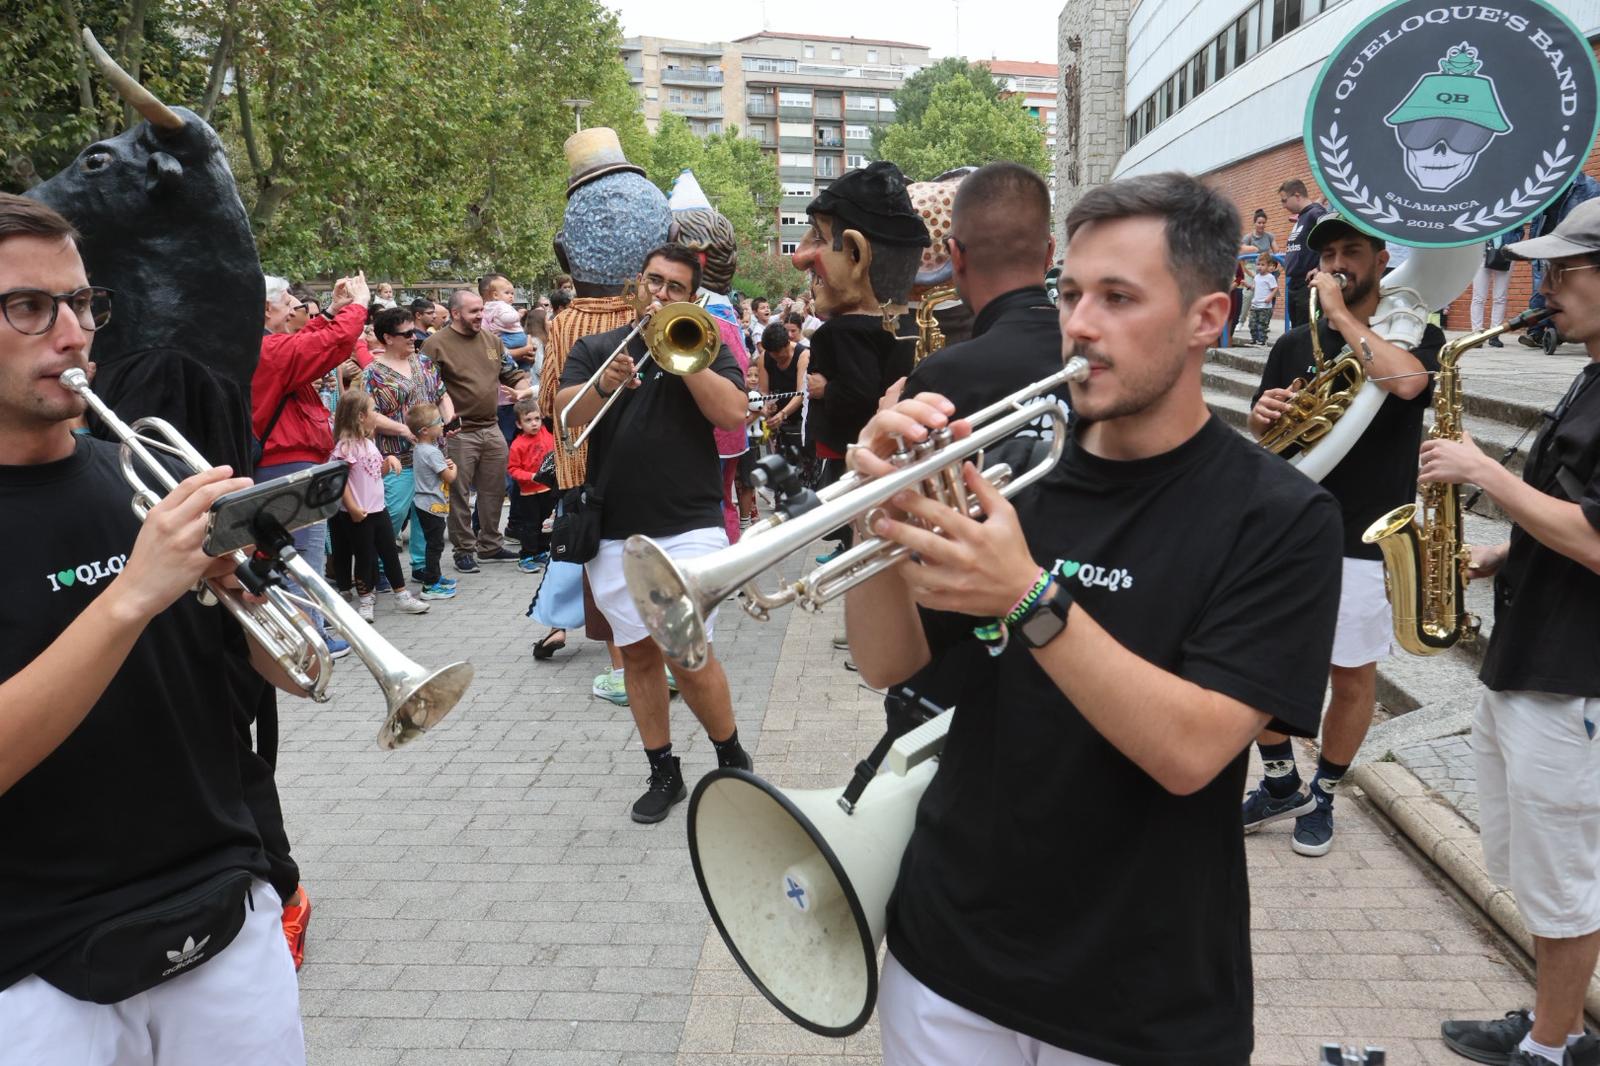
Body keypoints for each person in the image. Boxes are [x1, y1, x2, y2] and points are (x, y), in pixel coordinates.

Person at [842, 171, 1340, 1066]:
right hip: (948, 958)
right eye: (1069, 292)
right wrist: (868, 520)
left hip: (1139, 995)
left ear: (1207, 319)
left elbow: (1192, 754)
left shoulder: (1280, 516)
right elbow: (889, 664)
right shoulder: (1016, 480)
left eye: (1118, 298)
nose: (1079, 323)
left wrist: (1030, 597)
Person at [0, 193, 308, 1064]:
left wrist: (250, 594)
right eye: (29, 307)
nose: (72, 334)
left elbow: (290, 676)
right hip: (32, 963)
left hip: (222, 911)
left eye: (83, 302)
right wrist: (133, 595)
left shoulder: (144, 474)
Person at [1431, 200, 1600, 1066]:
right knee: (1538, 866)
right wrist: (1507, 550)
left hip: (1575, 677)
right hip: (1537, 653)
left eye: (1566, 270)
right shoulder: (1589, 370)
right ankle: (1558, 1020)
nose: (1545, 286)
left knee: (1564, 877)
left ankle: (1549, 1045)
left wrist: (1485, 474)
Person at [1244, 211, 1443, 857]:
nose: (1335, 264)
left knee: (1351, 677)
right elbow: (1269, 436)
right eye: (1326, 253)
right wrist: (1262, 414)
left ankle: (1325, 791)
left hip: (1363, 532)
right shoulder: (1291, 343)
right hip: (1287, 531)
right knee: (1252, 662)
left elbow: (1407, 382)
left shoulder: (1419, 332)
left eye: (1350, 250)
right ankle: (1279, 782)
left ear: (1383, 258)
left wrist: (1345, 318)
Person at [556, 245, 752, 823]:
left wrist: (684, 363)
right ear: (637, 284)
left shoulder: (706, 342)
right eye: (653, 282)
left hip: (690, 524)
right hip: (615, 525)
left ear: (692, 298)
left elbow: (733, 413)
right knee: (638, 657)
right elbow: (567, 416)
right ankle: (664, 771)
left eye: (674, 287)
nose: (661, 294)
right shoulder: (597, 348)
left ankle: (731, 756)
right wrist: (603, 382)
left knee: (686, 650)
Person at [531, 127, 672, 689]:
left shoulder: (568, 321)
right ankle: (666, 657)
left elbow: (550, 403)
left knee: (606, 565)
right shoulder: (659, 312)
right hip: (654, 462)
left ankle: (623, 667)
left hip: (586, 464)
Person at [791, 161, 927, 563]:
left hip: (857, 447)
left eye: (818, 236)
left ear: (855, 254)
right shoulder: (912, 323)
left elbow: (860, 390)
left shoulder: (843, 331)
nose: (800, 257)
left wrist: (823, 388)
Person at [254, 270, 371, 656]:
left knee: (301, 552)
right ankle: (310, 636)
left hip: (288, 463)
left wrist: (335, 310)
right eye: (289, 303)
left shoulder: (264, 346)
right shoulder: (266, 350)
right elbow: (325, 345)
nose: (297, 310)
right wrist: (357, 308)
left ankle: (311, 630)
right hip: (288, 466)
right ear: (268, 308)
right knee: (300, 556)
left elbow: (305, 342)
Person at [422, 288, 528, 571]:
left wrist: (523, 392)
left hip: (491, 426)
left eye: (481, 310)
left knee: (494, 490)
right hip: (459, 432)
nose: (480, 315)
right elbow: (425, 390)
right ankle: (463, 549)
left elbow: (513, 373)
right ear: (455, 313)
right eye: (474, 311)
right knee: (458, 493)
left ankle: (490, 545)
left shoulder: (492, 340)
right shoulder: (435, 345)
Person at [364, 306, 455, 585]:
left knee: (425, 513)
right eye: (406, 334)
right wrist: (402, 428)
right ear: (387, 338)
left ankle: (421, 565)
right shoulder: (373, 373)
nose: (413, 338)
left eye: (413, 333)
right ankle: (378, 564)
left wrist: (449, 420)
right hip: (396, 455)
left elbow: (442, 395)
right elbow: (367, 413)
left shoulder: (425, 362)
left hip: (431, 454)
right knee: (392, 512)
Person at [326, 390, 431, 622]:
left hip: (377, 508)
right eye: (373, 410)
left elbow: (373, 473)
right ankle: (366, 599)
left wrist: (388, 462)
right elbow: (340, 482)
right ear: (361, 416)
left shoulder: (368, 444)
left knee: (389, 552)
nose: (376, 414)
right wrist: (352, 508)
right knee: (364, 556)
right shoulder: (345, 448)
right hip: (359, 513)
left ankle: (401, 595)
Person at [405, 402, 458, 600]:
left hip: (425, 504)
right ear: (425, 430)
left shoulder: (420, 449)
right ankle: (430, 586)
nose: (443, 424)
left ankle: (434, 576)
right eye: (439, 421)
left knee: (433, 545)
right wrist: (455, 467)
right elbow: (450, 477)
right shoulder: (432, 452)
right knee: (435, 546)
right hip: (431, 506)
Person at [506, 395, 555, 574]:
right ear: (519, 424)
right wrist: (531, 476)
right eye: (528, 420)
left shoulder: (545, 433)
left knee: (546, 523)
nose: (534, 423)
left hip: (547, 489)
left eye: (536, 419)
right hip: (528, 493)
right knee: (530, 526)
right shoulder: (518, 445)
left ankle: (541, 551)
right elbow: (512, 469)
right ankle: (526, 556)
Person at [1279, 179, 1328, 331]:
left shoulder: (1315, 213)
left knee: (1306, 334)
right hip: (1294, 285)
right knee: (1296, 333)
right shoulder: (1303, 217)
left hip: (1306, 286)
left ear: (1297, 195)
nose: (1283, 205)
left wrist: (1320, 267)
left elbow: (1333, 236)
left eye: (1284, 200)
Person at [1472, 234, 1517, 345]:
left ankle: (1494, 334)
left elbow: (1519, 231)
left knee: (1500, 297)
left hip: (1505, 255)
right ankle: (1477, 334)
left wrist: (1509, 243)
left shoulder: (1513, 215)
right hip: (1482, 255)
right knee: (1479, 297)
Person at [1248, 252, 1279, 346]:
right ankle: (1254, 339)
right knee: (1252, 324)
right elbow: (1254, 287)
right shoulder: (1257, 277)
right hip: (1255, 305)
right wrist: (1248, 285)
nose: (1260, 267)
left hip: (1265, 306)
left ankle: (1262, 340)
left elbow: (1275, 288)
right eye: (1258, 264)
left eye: (1262, 265)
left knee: (1262, 325)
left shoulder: (1270, 277)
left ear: (1268, 265)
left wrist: (1270, 297)